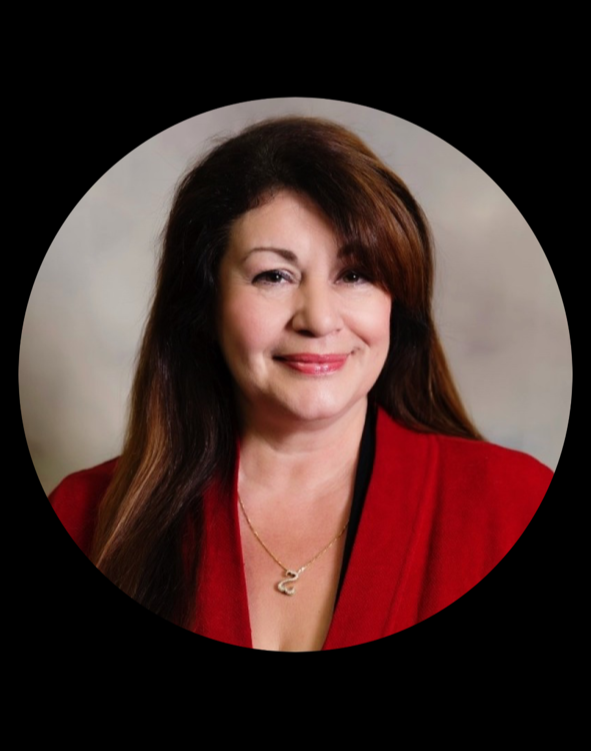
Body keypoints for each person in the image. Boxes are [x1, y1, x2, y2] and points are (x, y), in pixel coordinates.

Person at [49, 116, 553, 651]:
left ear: (396, 304)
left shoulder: (517, 506)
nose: (318, 319)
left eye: (354, 275)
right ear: (204, 305)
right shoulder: (82, 519)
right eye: (274, 276)